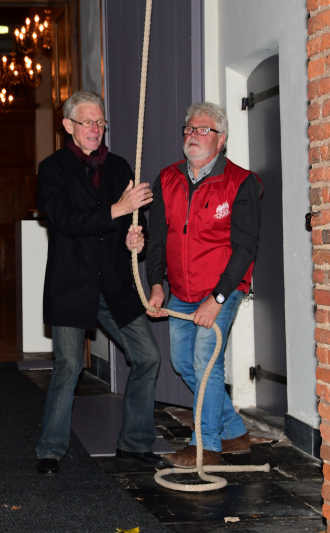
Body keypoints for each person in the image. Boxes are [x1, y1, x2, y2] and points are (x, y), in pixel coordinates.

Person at [35, 90, 163, 475]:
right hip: (72, 284)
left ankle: (135, 443)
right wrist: (118, 210)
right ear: (67, 126)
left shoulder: (121, 166)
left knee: (148, 357)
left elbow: (130, 225)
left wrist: (133, 239)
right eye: (86, 122)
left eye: (100, 122)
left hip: (114, 283)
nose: (94, 129)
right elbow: (65, 221)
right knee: (69, 365)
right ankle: (50, 450)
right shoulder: (52, 168)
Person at [146, 102, 262, 467]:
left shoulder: (241, 183)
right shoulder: (167, 179)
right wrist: (156, 284)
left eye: (202, 130)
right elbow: (157, 241)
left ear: (221, 139)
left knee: (204, 361)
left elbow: (245, 249)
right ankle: (233, 431)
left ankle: (206, 445)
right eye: (188, 129)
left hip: (223, 287)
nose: (192, 136)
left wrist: (217, 298)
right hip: (180, 290)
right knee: (183, 362)